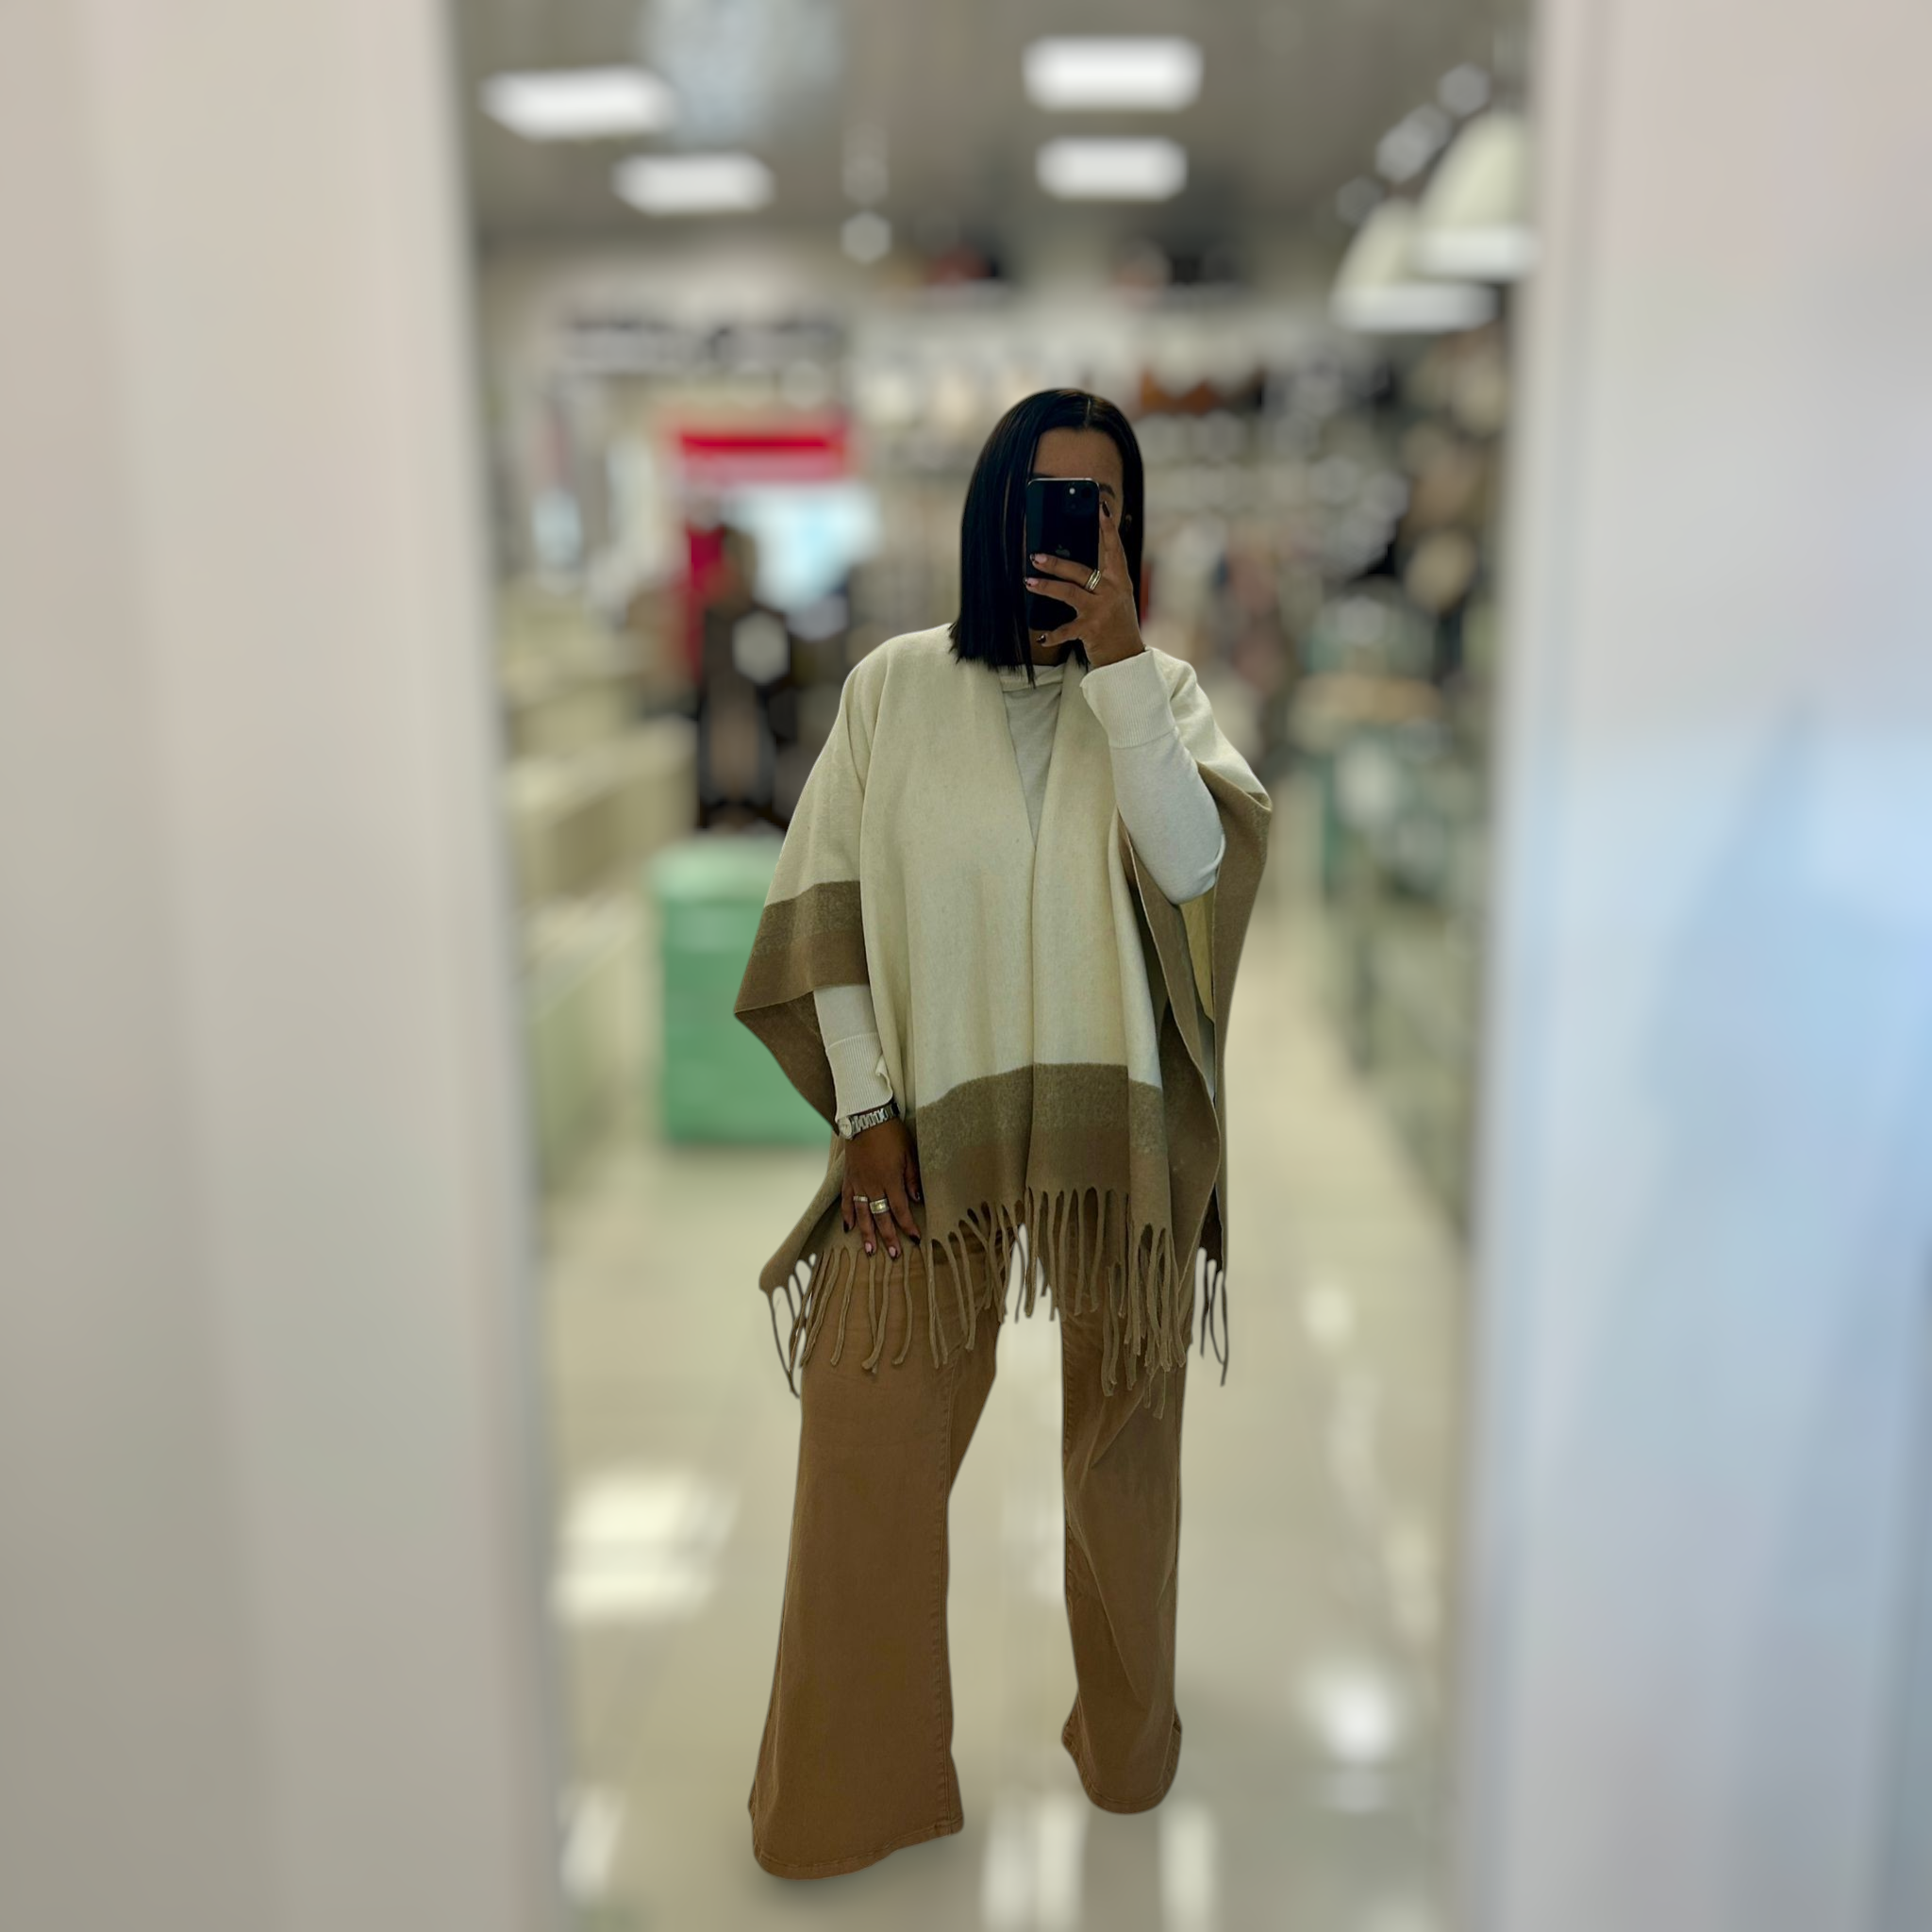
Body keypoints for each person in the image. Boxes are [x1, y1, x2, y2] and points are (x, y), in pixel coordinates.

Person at [732, 389, 1273, 1879]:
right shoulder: (894, 690)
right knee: (865, 1439)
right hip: (929, 1131)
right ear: (992, 515)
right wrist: (865, 1114)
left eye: (1106, 511)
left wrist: (1120, 669)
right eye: (1051, 503)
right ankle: (846, 1793)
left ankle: (1128, 1746)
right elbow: (830, 915)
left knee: (1126, 1462)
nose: (1076, 535)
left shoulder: (1159, 693)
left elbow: (1195, 868)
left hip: (1117, 1145)